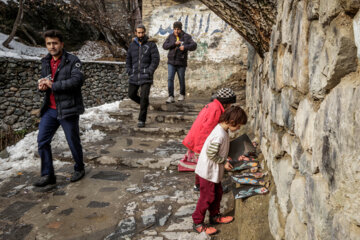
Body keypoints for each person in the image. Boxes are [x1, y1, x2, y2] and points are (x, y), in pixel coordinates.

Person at [34, 30, 85, 187]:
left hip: (68, 108)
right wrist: (42, 86)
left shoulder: (73, 60)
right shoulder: (45, 62)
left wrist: (53, 85)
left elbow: (77, 81)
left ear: (62, 44)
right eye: (49, 43)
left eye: (55, 43)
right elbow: (48, 81)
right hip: (50, 109)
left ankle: (79, 168)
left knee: (72, 141)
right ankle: (48, 174)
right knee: (42, 141)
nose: (52, 46)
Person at [192, 106, 248, 235]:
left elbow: (220, 150)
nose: (238, 128)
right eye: (238, 126)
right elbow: (212, 153)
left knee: (217, 192)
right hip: (207, 172)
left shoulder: (223, 131)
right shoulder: (219, 135)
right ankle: (198, 222)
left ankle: (215, 215)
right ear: (232, 122)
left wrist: (227, 156)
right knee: (207, 197)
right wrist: (224, 162)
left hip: (213, 171)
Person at [180, 88, 237, 191]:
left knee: (201, 164)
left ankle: (198, 185)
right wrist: (206, 146)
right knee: (205, 166)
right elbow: (207, 130)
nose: (229, 107)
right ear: (225, 103)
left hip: (198, 138)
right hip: (201, 140)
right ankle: (205, 186)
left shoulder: (214, 106)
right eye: (229, 105)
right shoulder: (215, 110)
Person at [126, 24, 160, 128]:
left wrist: (150, 71)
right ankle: (144, 104)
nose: (141, 34)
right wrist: (129, 70)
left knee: (144, 97)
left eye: (142, 32)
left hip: (146, 75)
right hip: (134, 75)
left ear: (144, 32)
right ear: (135, 33)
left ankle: (141, 119)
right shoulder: (132, 45)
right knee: (131, 94)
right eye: (139, 32)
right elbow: (128, 60)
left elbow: (156, 59)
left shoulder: (151, 45)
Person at [163, 21, 197, 103]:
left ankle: (182, 94)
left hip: (181, 62)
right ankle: (170, 96)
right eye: (174, 29)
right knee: (170, 78)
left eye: (178, 29)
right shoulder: (170, 36)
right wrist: (174, 44)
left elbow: (194, 45)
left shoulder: (186, 36)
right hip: (171, 62)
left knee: (181, 78)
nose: (176, 31)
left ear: (181, 29)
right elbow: (164, 46)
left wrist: (185, 47)